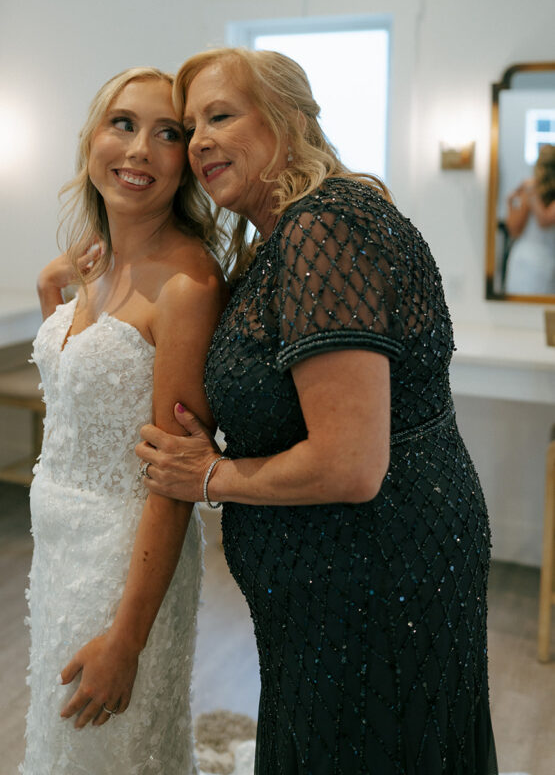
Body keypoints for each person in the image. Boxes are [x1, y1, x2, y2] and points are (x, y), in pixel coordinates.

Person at [136, 48, 498, 774]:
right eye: (190, 125)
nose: (199, 139)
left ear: (286, 118)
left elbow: (349, 464)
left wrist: (210, 477)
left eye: (220, 115)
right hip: (351, 575)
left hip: (371, 575)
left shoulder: (324, 229)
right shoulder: (300, 227)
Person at [19, 66, 227, 775]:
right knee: (60, 741)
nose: (139, 149)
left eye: (167, 134)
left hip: (121, 561)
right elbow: (79, 405)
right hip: (55, 546)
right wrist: (53, 294)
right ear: (91, 141)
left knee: (107, 749)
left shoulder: (186, 285)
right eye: (123, 124)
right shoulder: (93, 265)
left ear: (187, 161)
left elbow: (169, 479)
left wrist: (127, 641)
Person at [504, 143, 555, 295]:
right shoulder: (528, 191)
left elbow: (544, 221)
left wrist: (529, 196)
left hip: (538, 259)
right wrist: (511, 202)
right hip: (528, 260)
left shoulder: (530, 191)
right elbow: (514, 229)